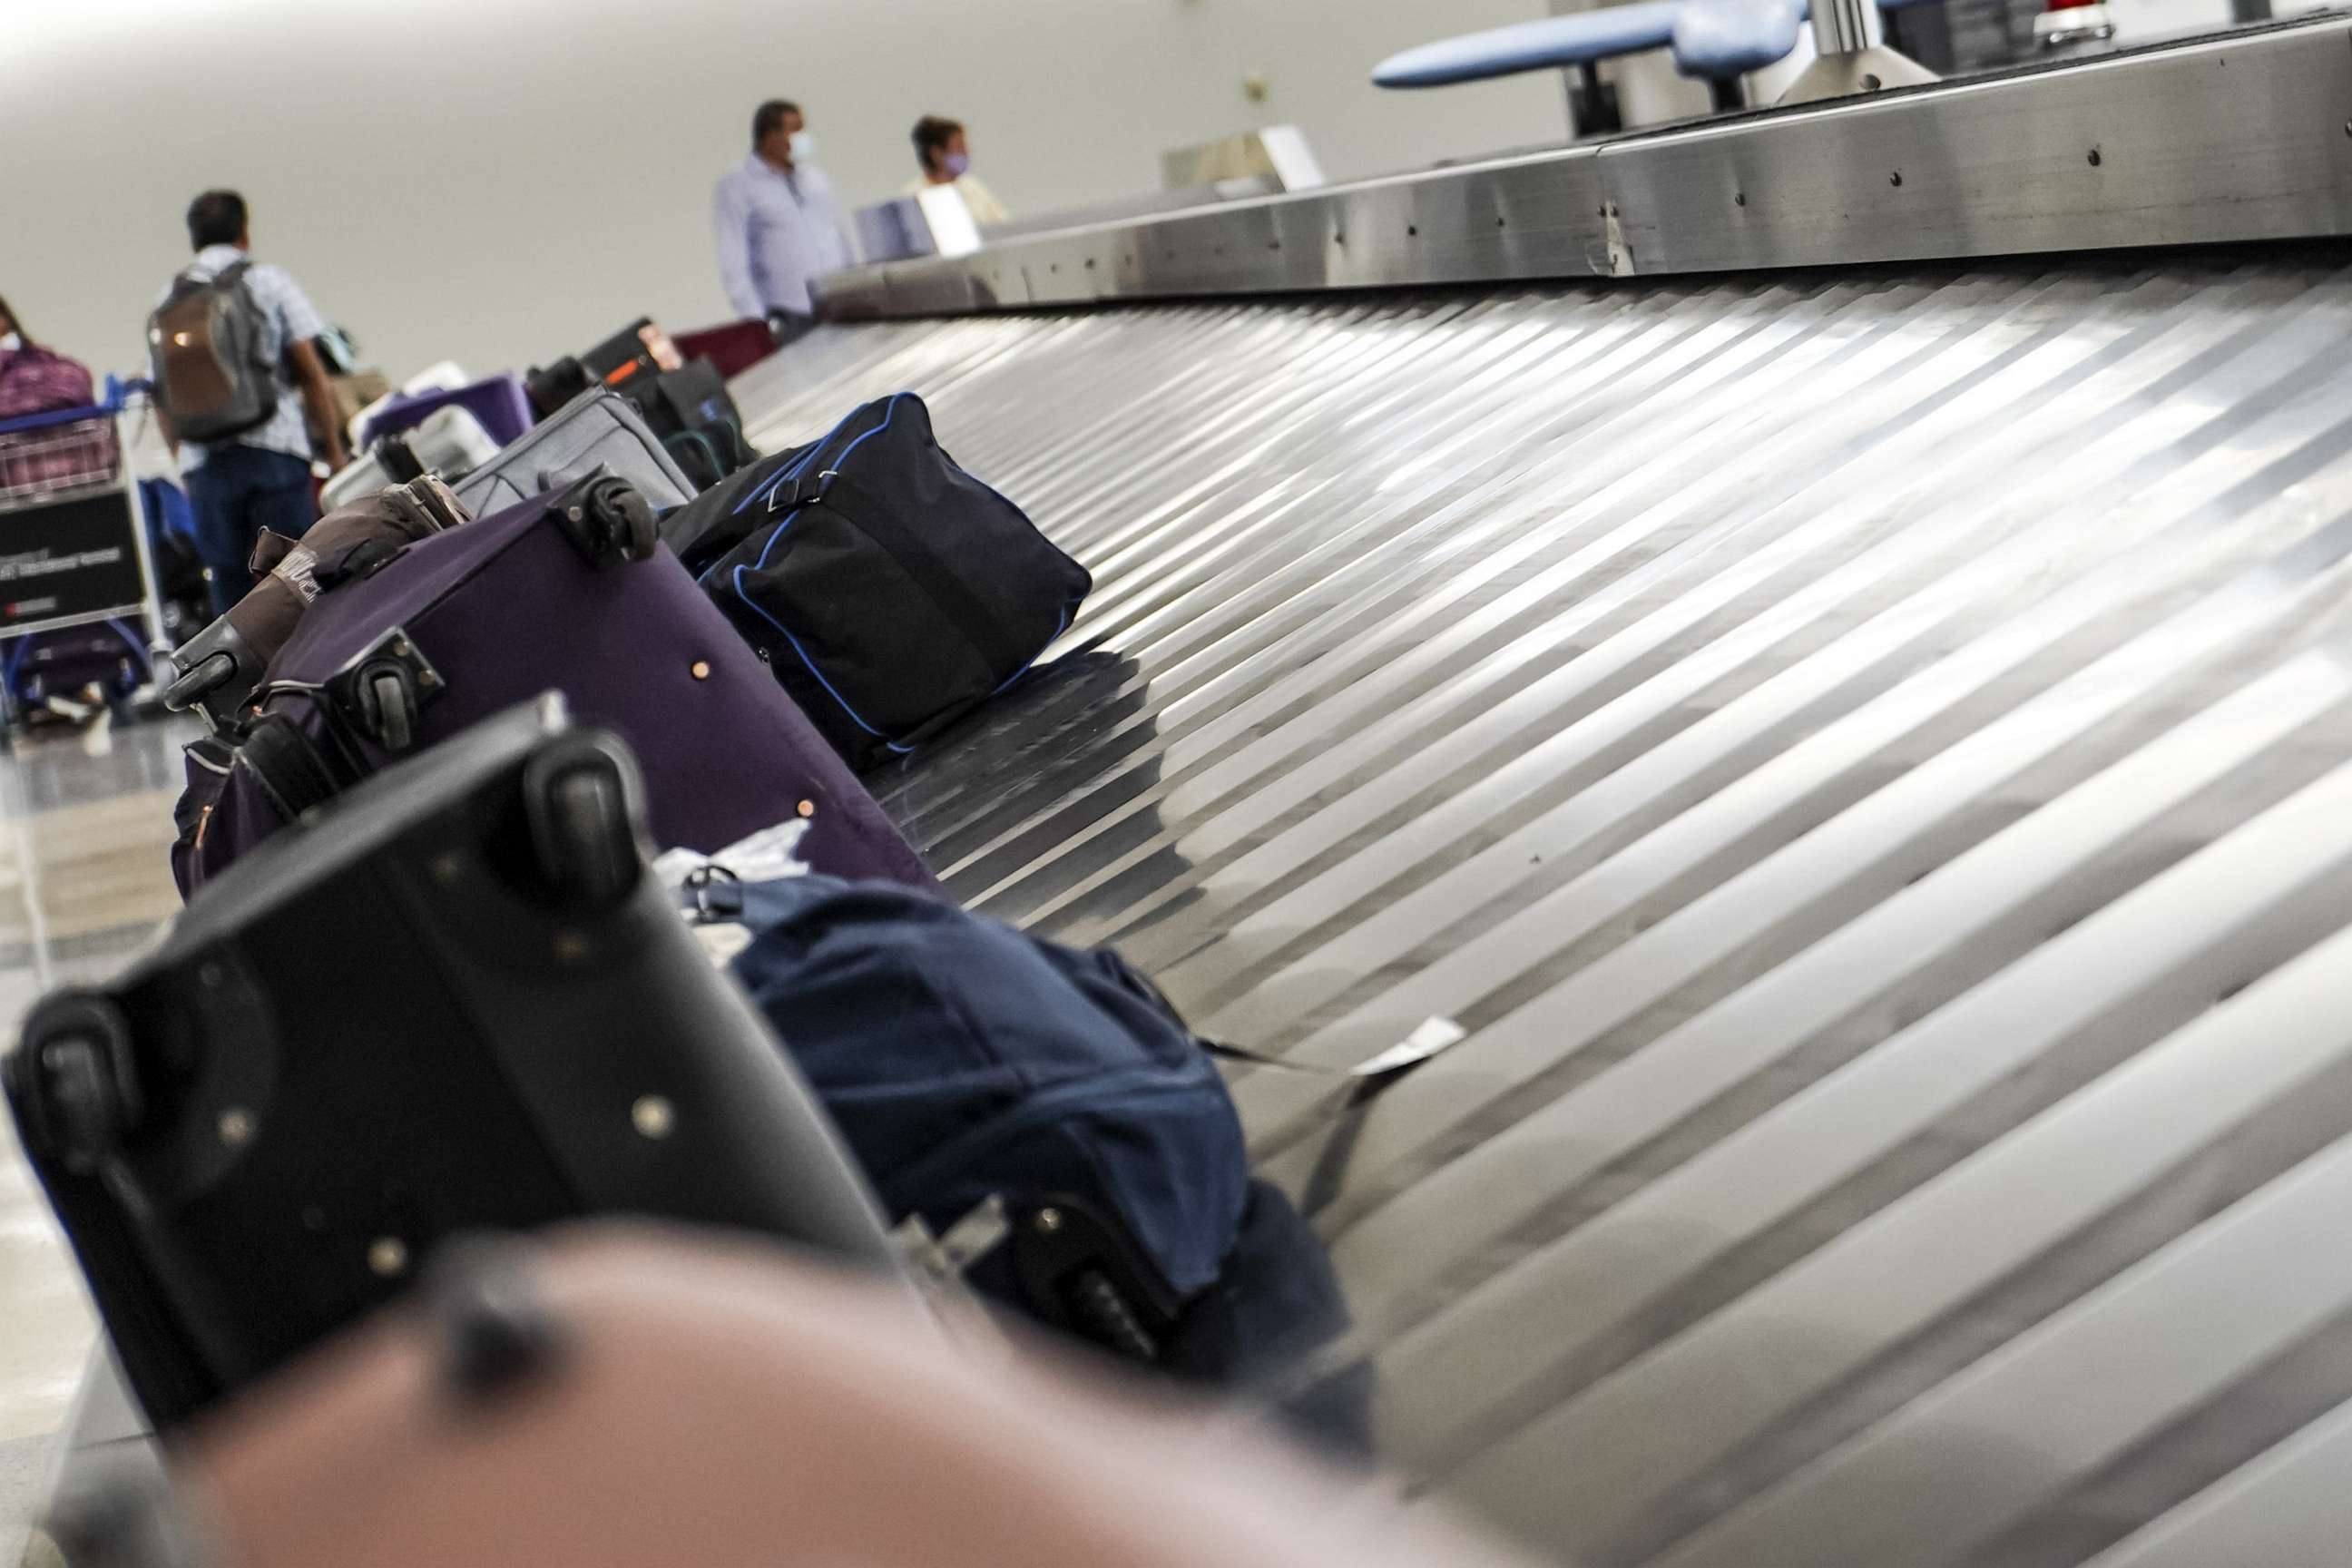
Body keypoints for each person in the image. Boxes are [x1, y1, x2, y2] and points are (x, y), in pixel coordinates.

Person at [156, 191, 349, 616]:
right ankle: (314, 669)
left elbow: (162, 396)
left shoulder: (168, 299)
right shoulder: (268, 281)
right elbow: (312, 373)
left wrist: (183, 465)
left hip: (205, 464)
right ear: (244, 232)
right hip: (274, 449)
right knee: (296, 572)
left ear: (194, 239)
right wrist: (335, 454)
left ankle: (248, 677)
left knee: (231, 585)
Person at [712, 100, 854, 328]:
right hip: (790, 315)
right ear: (770, 136)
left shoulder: (814, 178)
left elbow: (839, 236)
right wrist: (758, 322)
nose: (803, 138)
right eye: (796, 130)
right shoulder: (738, 185)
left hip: (840, 304)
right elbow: (733, 261)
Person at [903, 115, 1011, 227]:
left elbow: (1002, 224)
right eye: (960, 147)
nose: (966, 153)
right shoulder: (913, 196)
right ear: (937, 153)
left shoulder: (973, 187)